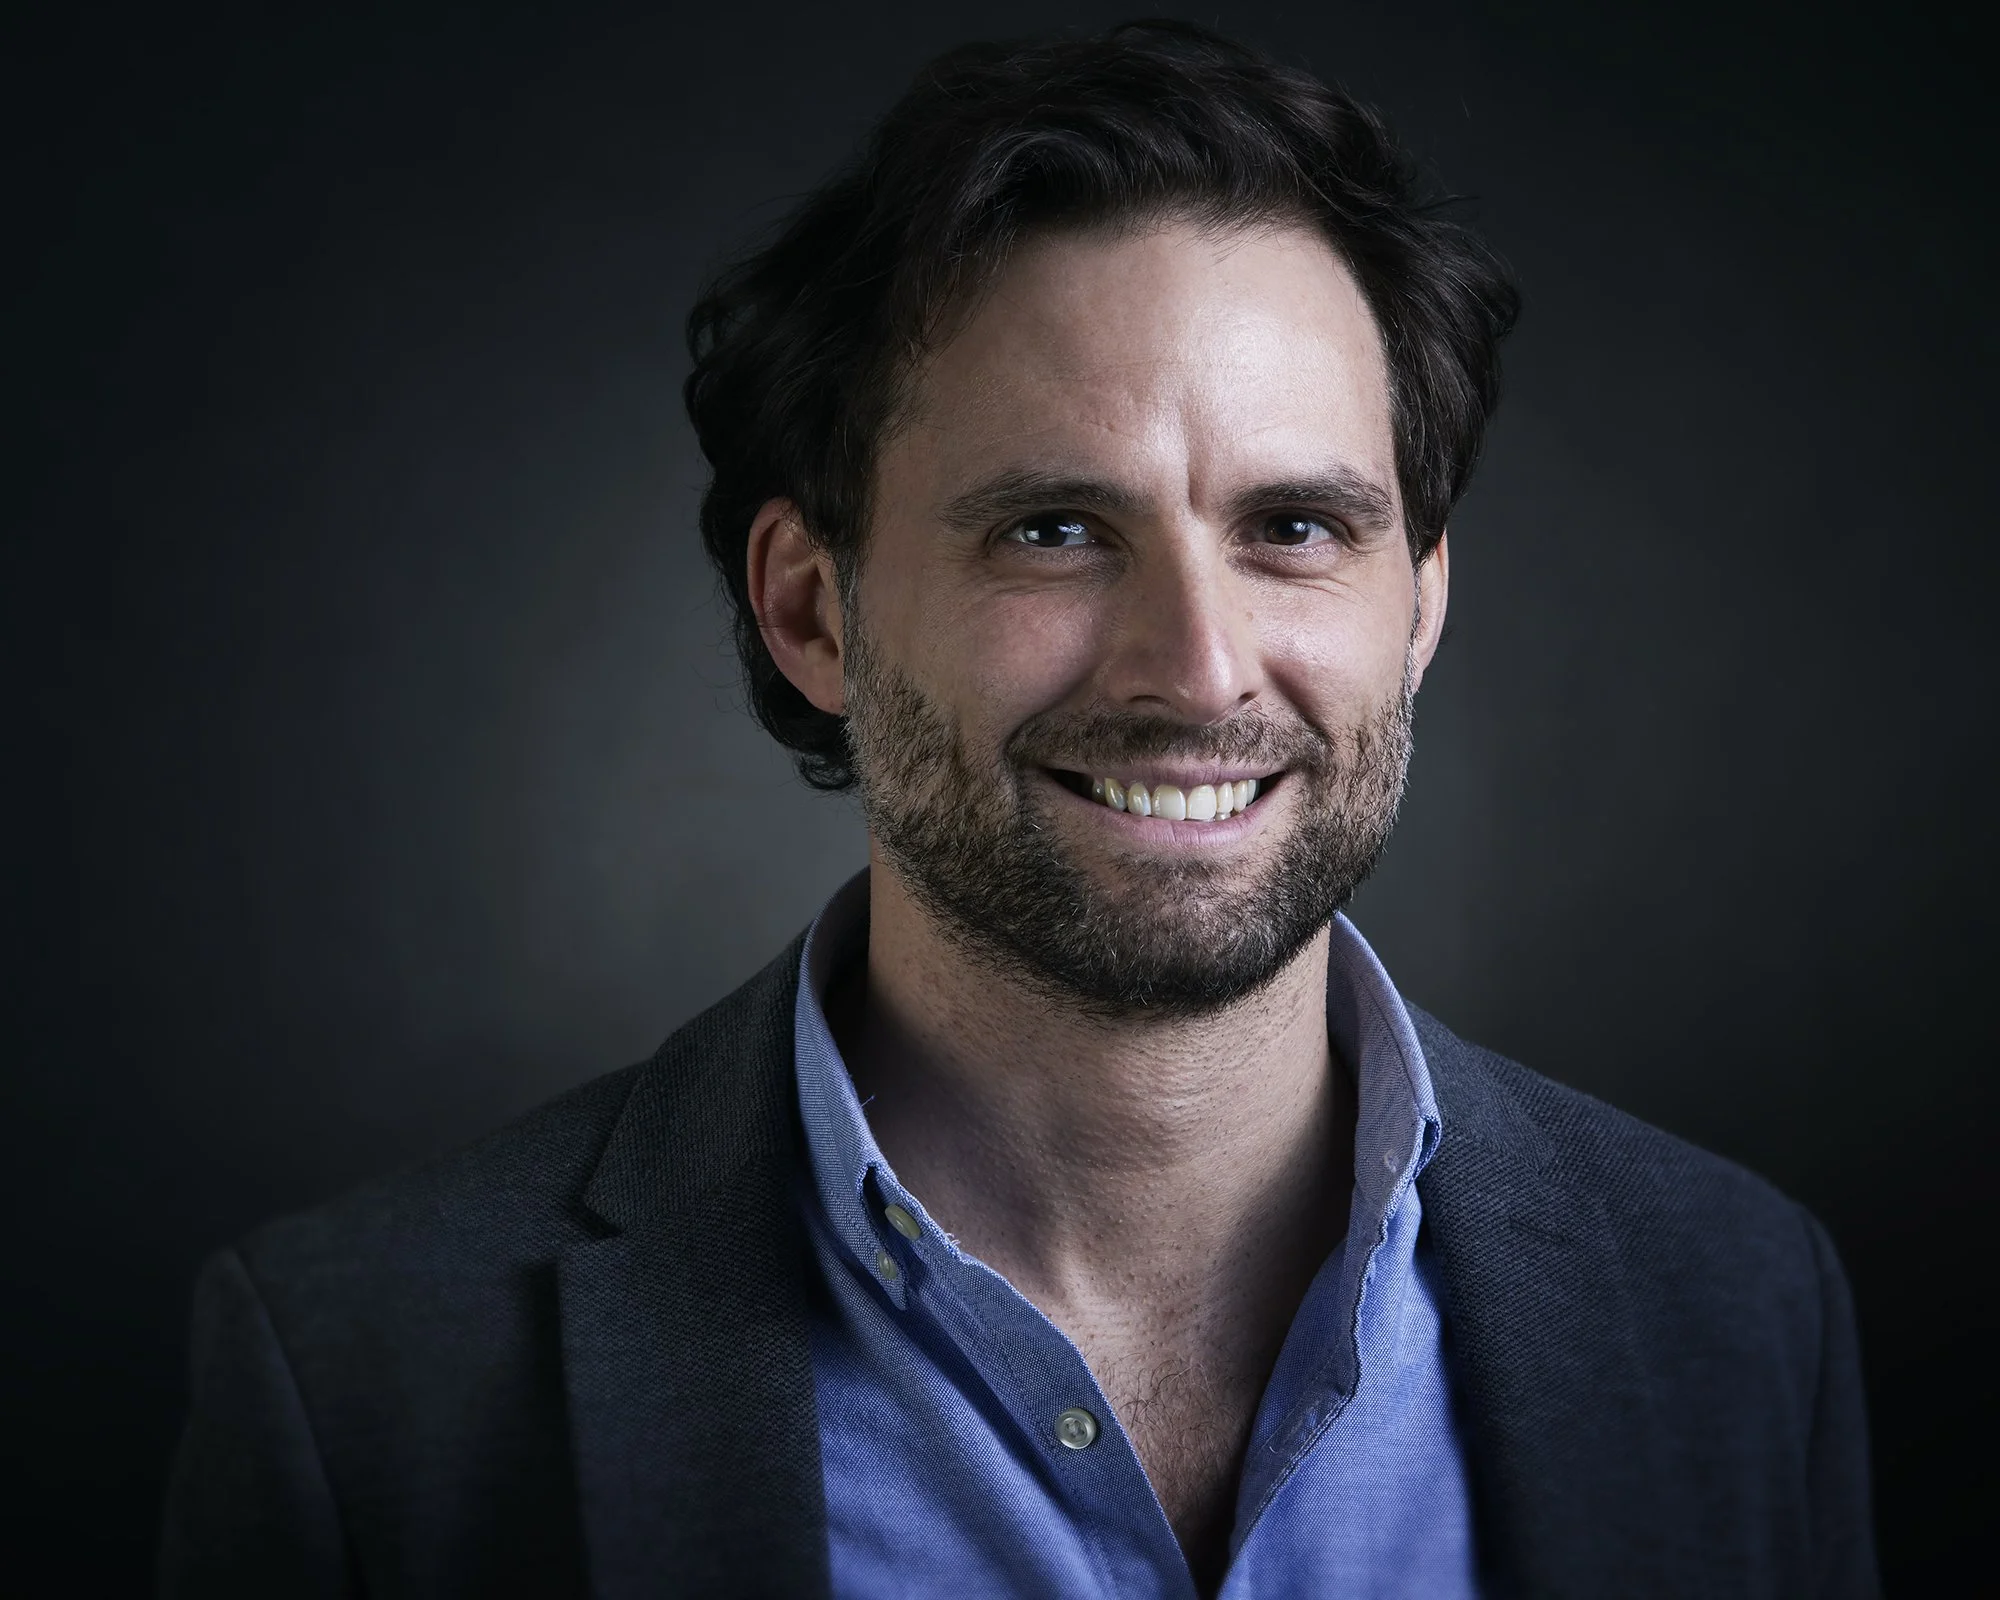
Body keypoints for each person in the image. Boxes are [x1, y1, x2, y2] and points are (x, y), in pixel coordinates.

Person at [159, 20, 1878, 1599]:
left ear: (1418, 603)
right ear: (810, 611)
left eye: (1295, 527)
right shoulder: (367, 1391)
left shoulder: (1734, 1305)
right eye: (1053, 530)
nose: (1201, 671)